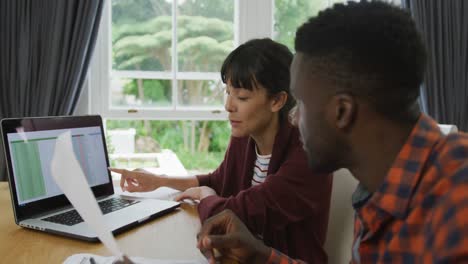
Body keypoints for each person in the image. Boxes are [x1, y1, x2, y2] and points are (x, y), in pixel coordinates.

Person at [196, 1, 468, 263]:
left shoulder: (456, 198)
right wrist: (261, 256)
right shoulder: (378, 192)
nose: (293, 117)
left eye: (301, 101)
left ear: (342, 112)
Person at [110, 38, 333, 263]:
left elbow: (238, 213)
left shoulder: (309, 155)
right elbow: (219, 180)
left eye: (242, 97)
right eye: (228, 92)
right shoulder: (245, 137)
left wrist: (206, 196)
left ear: (277, 101)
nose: (228, 105)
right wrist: (160, 180)